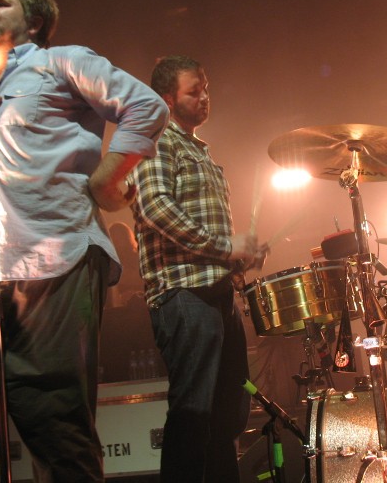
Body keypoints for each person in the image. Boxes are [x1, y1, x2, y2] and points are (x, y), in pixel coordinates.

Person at [0, 0, 169, 482]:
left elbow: (145, 105)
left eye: (0, 2)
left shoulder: (61, 61)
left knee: (57, 431)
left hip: (57, 267)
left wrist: (106, 179)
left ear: (33, 20)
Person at [128, 55, 265, 483]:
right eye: (194, 91)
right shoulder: (154, 138)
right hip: (184, 295)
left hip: (217, 295)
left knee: (229, 415)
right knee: (193, 413)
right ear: (167, 98)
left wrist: (240, 256)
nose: (205, 97)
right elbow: (155, 207)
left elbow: (206, 233)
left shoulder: (199, 150)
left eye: (206, 88)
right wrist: (226, 247)